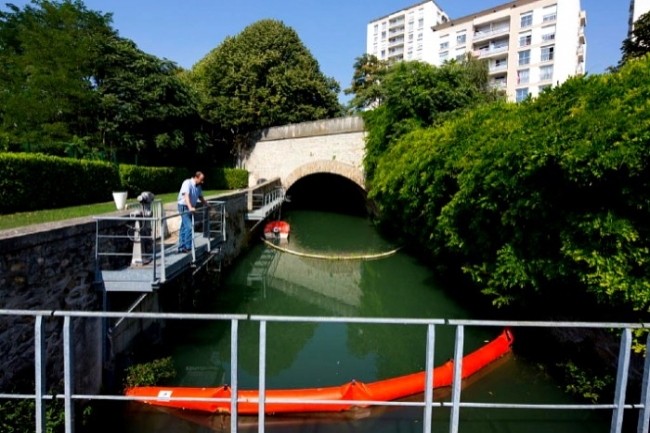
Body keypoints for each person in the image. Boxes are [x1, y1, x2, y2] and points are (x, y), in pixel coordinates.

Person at [177, 171, 208, 253]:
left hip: (190, 207)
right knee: (189, 227)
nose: (202, 182)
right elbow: (186, 195)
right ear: (196, 177)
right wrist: (190, 207)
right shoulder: (187, 183)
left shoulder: (198, 186)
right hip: (183, 206)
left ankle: (181, 246)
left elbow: (200, 196)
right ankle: (188, 247)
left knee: (184, 227)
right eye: (201, 180)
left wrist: (206, 204)